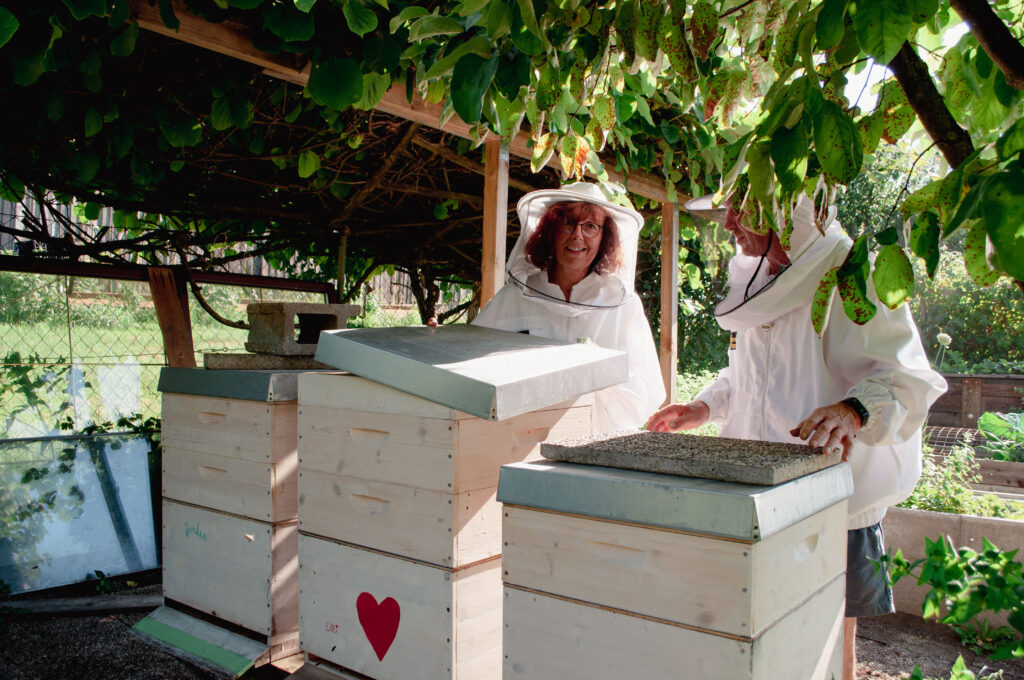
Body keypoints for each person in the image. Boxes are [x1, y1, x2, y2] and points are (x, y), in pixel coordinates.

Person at [647, 192, 946, 680]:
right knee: (762, 630)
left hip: (833, 491)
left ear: (786, 215)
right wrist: (704, 406)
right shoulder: (758, 279)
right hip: (760, 486)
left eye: (742, 211)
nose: (728, 224)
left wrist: (853, 411)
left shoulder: (855, 273)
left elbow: (904, 374)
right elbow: (746, 374)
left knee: (829, 641)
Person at [472, 182, 666, 434]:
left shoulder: (623, 306)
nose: (577, 235)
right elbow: (470, 363)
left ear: (604, 237)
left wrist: (599, 369)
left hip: (597, 449)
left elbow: (641, 402)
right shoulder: (516, 296)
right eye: (568, 222)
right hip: (524, 443)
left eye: (590, 226)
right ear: (550, 230)